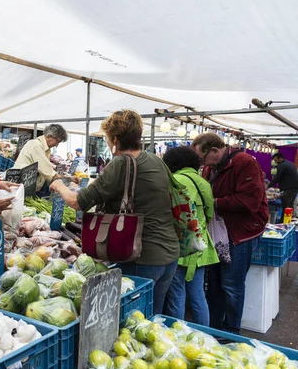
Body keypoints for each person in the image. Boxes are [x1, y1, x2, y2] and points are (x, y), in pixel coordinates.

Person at [50, 110, 179, 315]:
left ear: (115, 139)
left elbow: (77, 202)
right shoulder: (155, 160)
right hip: (168, 254)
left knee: (131, 319)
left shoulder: (120, 163)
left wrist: (58, 185)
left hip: (140, 256)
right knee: (151, 318)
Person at [192, 133, 268, 334]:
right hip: (220, 233)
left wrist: (215, 203)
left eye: (203, 158)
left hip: (240, 233)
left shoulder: (244, 163)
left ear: (215, 151)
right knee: (215, 284)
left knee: (232, 286)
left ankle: (231, 332)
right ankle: (214, 328)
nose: (202, 163)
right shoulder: (210, 168)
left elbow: (249, 202)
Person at [163, 147, 219, 326]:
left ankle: (177, 337)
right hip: (199, 246)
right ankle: (205, 335)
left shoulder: (174, 180)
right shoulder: (203, 183)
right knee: (198, 295)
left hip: (179, 246)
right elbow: (209, 214)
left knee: (176, 295)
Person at [14, 124, 79, 194]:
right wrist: (70, 179)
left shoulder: (45, 149)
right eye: (57, 141)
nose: (57, 145)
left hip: (28, 188)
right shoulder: (36, 146)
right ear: (49, 136)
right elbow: (50, 174)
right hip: (21, 190)